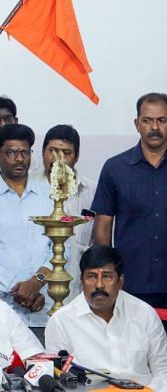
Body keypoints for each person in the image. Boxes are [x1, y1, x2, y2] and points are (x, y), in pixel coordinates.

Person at [0, 124, 54, 329]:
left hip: (44, 306)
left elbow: (60, 247)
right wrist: (21, 290)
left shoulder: (49, 196)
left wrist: (36, 282)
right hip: (0, 309)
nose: (20, 159)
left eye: (24, 152)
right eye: (12, 153)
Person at [45, 245, 167, 389]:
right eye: (91, 276)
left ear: (120, 281)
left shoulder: (145, 314)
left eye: (107, 276)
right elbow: (60, 379)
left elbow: (163, 371)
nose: (99, 285)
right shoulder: (61, 321)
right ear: (81, 281)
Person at [92, 93, 167, 314]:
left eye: (162, 120)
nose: (155, 127)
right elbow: (103, 225)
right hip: (130, 283)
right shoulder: (115, 168)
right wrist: (106, 275)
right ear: (137, 124)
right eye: (147, 120)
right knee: (133, 348)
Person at [37, 125, 96, 302]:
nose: (58, 159)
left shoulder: (93, 191)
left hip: (78, 292)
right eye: (52, 151)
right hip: (36, 291)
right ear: (42, 153)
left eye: (66, 153)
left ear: (76, 157)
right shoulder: (28, 188)